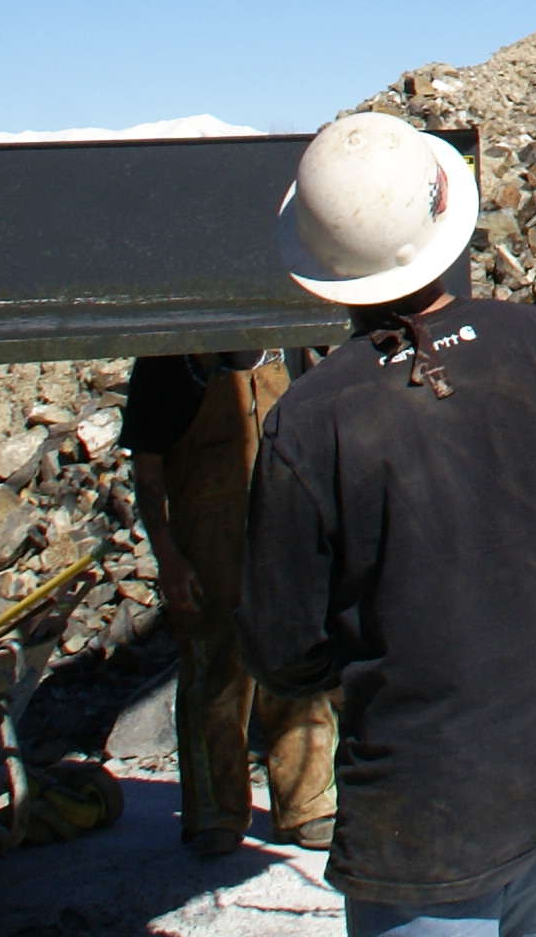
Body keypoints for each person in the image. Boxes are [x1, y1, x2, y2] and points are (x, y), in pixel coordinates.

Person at [238, 113, 536, 937]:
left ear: (321, 267)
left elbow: (281, 650)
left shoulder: (310, 424)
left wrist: (372, 668)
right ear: (445, 219)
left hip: (426, 820)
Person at [126, 348, 338, 854]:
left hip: (287, 545)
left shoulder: (290, 349)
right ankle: (214, 814)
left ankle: (308, 805)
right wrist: (169, 556)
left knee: (300, 671)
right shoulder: (166, 365)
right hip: (208, 552)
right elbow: (148, 472)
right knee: (214, 679)